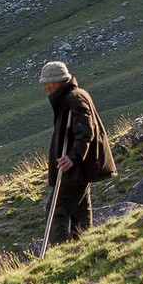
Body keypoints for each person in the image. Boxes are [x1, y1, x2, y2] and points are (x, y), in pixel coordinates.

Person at [40, 59, 116, 243]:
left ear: (55, 83)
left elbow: (85, 132)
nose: (44, 88)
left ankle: (59, 253)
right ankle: (82, 246)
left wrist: (72, 157)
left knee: (56, 211)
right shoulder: (71, 96)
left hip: (76, 168)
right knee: (80, 210)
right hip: (80, 167)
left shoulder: (75, 98)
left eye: (46, 84)